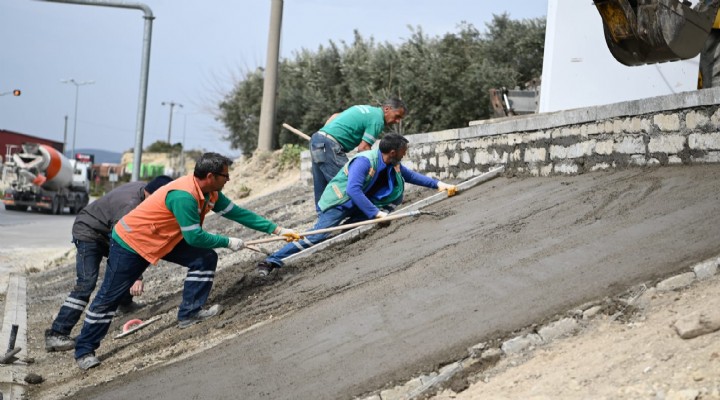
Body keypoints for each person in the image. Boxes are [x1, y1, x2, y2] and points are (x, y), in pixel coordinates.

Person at [73, 152, 300, 370]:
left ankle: (190, 313)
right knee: (109, 297)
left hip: (163, 237)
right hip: (132, 242)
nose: (228, 180)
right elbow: (194, 237)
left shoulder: (211, 193)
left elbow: (238, 214)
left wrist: (278, 229)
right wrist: (230, 242)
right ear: (211, 177)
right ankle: (84, 350)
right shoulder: (184, 195)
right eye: (225, 176)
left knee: (204, 259)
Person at [256, 133, 456, 276]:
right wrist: (376, 213)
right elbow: (352, 190)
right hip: (338, 202)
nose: (405, 154)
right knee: (318, 235)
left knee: (353, 227)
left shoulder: (391, 163)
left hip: (359, 202)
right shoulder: (365, 161)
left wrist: (440, 185)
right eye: (404, 151)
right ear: (393, 151)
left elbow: (411, 176)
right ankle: (272, 260)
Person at [44, 175, 173, 352]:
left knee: (125, 265)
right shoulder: (131, 206)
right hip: (88, 232)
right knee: (86, 283)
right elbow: (123, 242)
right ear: (156, 195)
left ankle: (124, 303)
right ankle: (56, 333)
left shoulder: (145, 189)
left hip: (104, 229)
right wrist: (137, 277)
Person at [309, 97, 407, 211]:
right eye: (397, 116)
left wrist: (325, 134)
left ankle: (321, 220)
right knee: (350, 183)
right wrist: (375, 169)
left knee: (321, 185)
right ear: (387, 109)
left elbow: (334, 116)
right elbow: (363, 148)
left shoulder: (367, 110)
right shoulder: (378, 119)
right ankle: (366, 213)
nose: (398, 121)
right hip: (330, 146)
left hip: (317, 139)